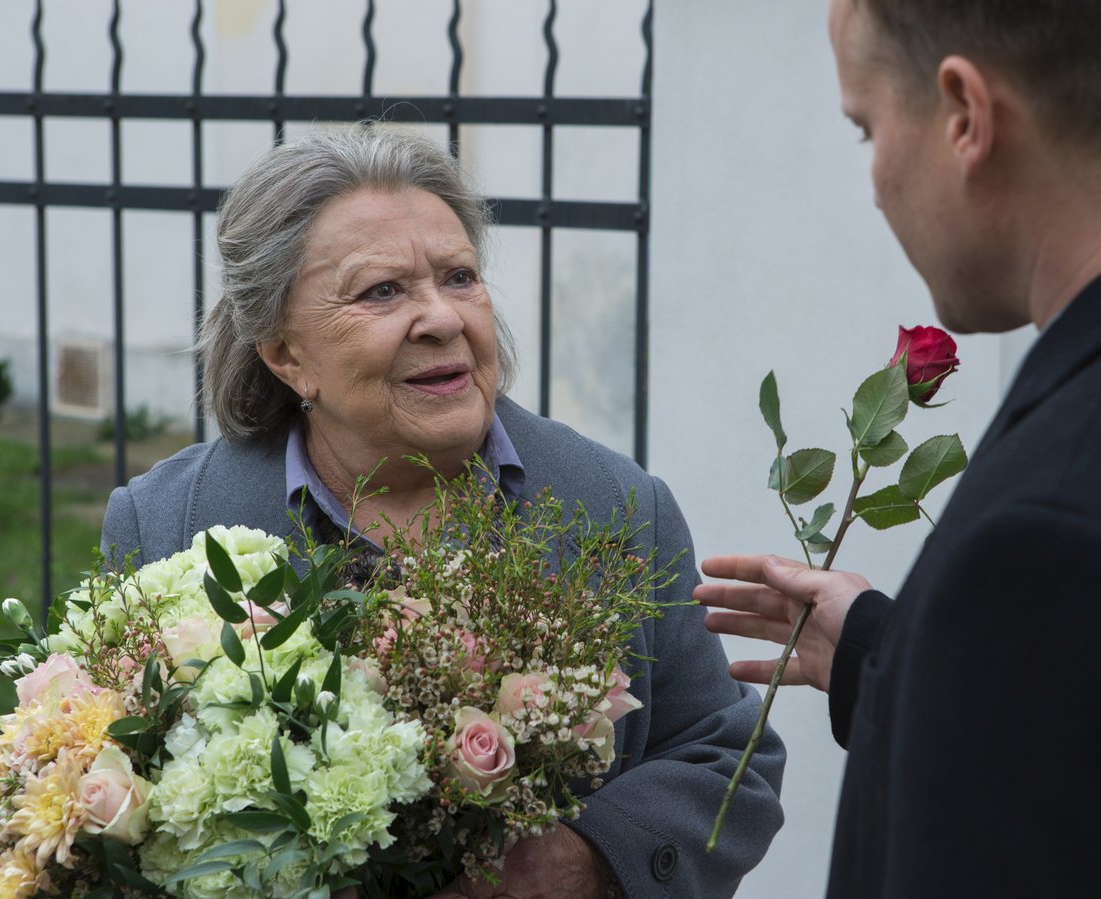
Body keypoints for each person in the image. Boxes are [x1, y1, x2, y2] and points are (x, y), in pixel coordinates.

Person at [101, 126, 785, 898]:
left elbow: (729, 754)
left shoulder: (617, 507)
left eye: (459, 277)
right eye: (381, 291)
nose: (441, 318)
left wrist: (592, 858)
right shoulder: (164, 525)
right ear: (286, 353)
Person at [696, 1, 1101, 896]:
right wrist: (895, 650)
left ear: (964, 115)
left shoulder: (1041, 536)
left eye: (865, 128)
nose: (876, 178)